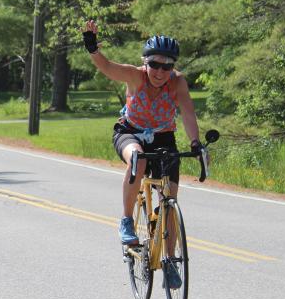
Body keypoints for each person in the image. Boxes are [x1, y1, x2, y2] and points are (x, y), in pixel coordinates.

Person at [82, 20, 202, 258]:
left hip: (163, 137)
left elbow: (188, 113)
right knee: (138, 158)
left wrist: (196, 143)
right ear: (145, 62)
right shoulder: (135, 76)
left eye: (166, 67)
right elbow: (107, 67)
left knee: (169, 199)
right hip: (129, 132)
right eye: (154, 64)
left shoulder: (178, 83)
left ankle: (170, 261)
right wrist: (92, 47)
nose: (159, 72)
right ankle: (126, 220)